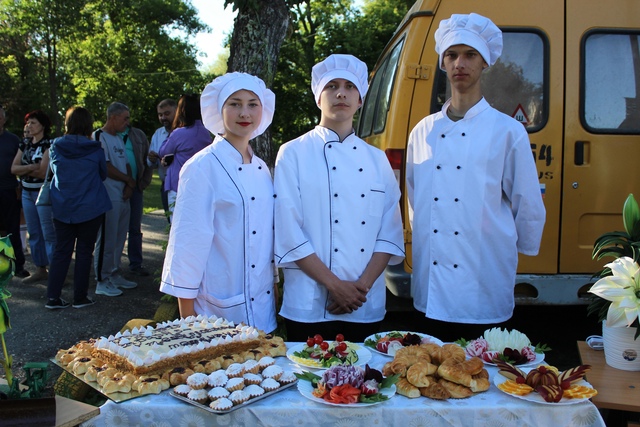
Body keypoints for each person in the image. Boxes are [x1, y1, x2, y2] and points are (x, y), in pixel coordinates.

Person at [405, 13, 547, 342]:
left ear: (484, 63)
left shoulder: (507, 131)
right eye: (452, 55)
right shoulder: (423, 131)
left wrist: (523, 243)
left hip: (483, 273)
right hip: (434, 279)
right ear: (442, 63)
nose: (460, 63)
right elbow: (416, 198)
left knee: (481, 374)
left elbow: (525, 199)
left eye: (470, 55)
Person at [274, 54, 405, 342]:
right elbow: (288, 230)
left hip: (363, 301)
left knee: (363, 384)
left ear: (360, 100)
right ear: (318, 98)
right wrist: (335, 286)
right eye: (332, 86)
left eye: (349, 86)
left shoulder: (377, 160)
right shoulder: (293, 153)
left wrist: (359, 289)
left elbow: (389, 232)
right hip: (308, 304)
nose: (341, 93)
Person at [160, 72, 277, 333]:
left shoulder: (260, 168)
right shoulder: (202, 166)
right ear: (219, 110)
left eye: (252, 104)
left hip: (262, 312)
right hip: (214, 317)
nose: (244, 112)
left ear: (263, 110)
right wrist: (189, 325)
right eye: (234, 104)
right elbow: (187, 246)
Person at [44, 107, 112, 309]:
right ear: (88, 124)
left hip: (63, 205)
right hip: (90, 205)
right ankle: (80, 297)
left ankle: (52, 297)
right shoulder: (95, 148)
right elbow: (103, 174)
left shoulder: (56, 146)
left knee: (61, 251)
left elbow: (53, 171)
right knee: (84, 252)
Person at [93, 102, 138, 297]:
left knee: (120, 236)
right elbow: (106, 165)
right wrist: (128, 180)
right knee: (107, 238)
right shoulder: (99, 136)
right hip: (108, 195)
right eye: (125, 118)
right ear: (113, 117)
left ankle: (114, 272)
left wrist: (129, 185)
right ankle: (101, 280)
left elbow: (126, 164)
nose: (127, 123)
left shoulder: (119, 139)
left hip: (123, 195)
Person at [11, 110, 56, 283]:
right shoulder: (25, 144)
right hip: (27, 192)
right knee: (34, 232)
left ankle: (56, 270)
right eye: (28, 123)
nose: (29, 126)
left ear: (43, 125)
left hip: (43, 193)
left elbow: (44, 171)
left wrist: (26, 169)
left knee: (48, 232)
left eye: (33, 123)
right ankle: (40, 268)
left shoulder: (49, 144)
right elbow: (13, 168)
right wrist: (32, 167)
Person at [158, 94, 212, 221]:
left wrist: (173, 130)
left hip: (178, 184)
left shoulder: (179, 133)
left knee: (177, 225)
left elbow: (163, 151)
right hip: (199, 184)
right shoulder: (206, 133)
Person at [0, 105, 29, 278]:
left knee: (12, 230)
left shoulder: (13, 140)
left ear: (4, 119)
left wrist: (19, 186)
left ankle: (18, 266)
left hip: (9, 190)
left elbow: (22, 164)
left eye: (0, 117)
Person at [121, 124, 153, 277]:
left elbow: (148, 160)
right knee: (113, 229)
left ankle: (135, 263)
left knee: (134, 228)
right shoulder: (106, 135)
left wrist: (142, 183)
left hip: (136, 188)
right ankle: (111, 266)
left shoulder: (139, 135)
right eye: (124, 117)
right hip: (116, 188)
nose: (127, 120)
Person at [147, 99, 177, 220]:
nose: (163, 117)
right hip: (166, 184)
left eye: (167, 113)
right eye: (160, 115)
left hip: (182, 183)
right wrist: (151, 159)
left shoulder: (185, 132)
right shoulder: (158, 134)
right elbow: (150, 164)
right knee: (171, 223)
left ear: (177, 112)